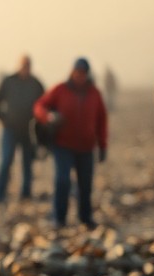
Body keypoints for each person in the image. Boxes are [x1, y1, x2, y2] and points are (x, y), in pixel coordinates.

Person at [34, 58, 108, 230]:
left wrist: (102, 145)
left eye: (83, 73)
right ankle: (59, 218)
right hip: (63, 145)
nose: (80, 76)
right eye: (77, 72)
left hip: (86, 147)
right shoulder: (60, 89)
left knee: (85, 183)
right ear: (72, 72)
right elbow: (39, 106)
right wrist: (49, 117)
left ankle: (85, 218)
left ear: (87, 74)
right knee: (62, 181)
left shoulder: (94, 93)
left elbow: (101, 120)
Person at [0, 55, 46, 203]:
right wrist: (2, 119)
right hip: (10, 128)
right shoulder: (9, 81)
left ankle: (26, 194)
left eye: (28, 65)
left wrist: (41, 124)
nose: (25, 68)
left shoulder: (35, 84)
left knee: (27, 162)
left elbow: (44, 104)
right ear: (19, 65)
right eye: (23, 65)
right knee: (6, 160)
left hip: (28, 129)